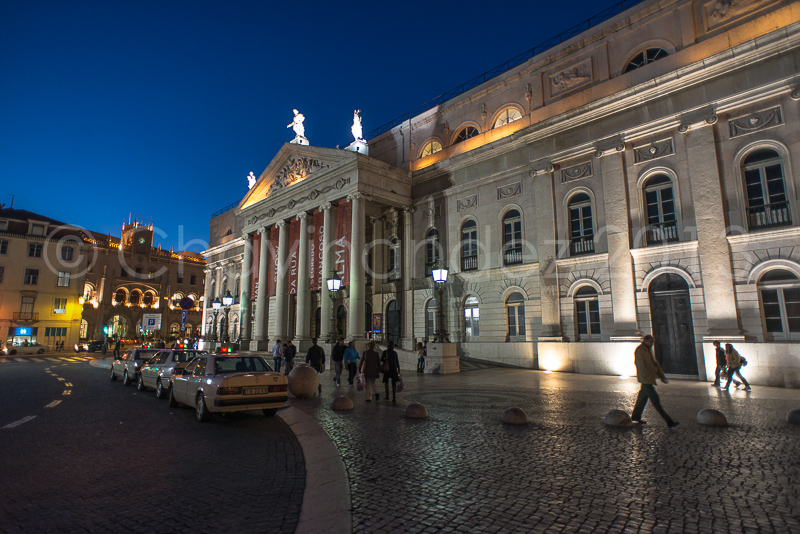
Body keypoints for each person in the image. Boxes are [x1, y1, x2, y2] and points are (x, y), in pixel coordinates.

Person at [630, 335, 679, 428]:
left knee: (642, 399)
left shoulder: (648, 350)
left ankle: (635, 417)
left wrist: (661, 376)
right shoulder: (640, 350)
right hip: (646, 379)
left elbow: (654, 363)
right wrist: (648, 376)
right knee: (656, 401)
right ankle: (669, 421)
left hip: (648, 379)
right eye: (651, 342)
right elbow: (640, 365)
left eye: (653, 342)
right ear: (646, 340)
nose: (652, 344)